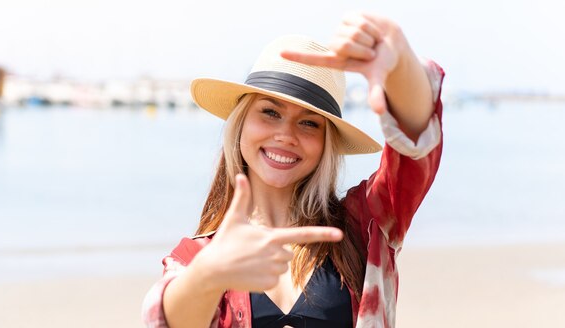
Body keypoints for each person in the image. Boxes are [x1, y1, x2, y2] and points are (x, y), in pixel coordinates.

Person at [143, 12, 444, 328]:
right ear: (241, 122)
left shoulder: (365, 226)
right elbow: (165, 320)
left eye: (308, 122)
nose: (286, 134)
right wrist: (209, 273)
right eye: (270, 112)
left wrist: (400, 64)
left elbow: (416, 144)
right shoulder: (201, 254)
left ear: (327, 141)